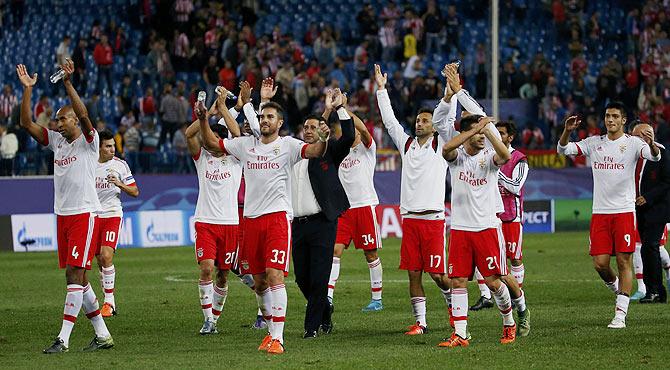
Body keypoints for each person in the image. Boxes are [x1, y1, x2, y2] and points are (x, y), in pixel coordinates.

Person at [198, 77, 329, 354]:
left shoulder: (289, 146)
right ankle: (270, 332)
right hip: (251, 221)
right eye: (263, 116)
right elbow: (211, 143)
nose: (266, 119)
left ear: (280, 123)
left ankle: (278, 338)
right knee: (258, 282)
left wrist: (324, 138)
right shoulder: (245, 146)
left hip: (277, 218)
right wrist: (202, 120)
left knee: (274, 275)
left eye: (270, 116)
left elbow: (316, 151)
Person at [17, 59, 114, 353]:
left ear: (73, 120)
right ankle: (103, 335)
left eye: (62, 119)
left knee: (74, 274)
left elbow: (84, 114)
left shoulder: (90, 141)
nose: (58, 124)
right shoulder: (57, 142)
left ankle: (64, 338)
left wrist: (69, 83)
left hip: (85, 213)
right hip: (63, 215)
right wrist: (28, 91)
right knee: (77, 277)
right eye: (58, 120)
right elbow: (25, 124)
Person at [557, 102, 660, 328]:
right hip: (600, 212)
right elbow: (563, 150)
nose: (610, 120)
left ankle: (620, 315)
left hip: (623, 211)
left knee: (624, 261)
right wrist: (567, 131)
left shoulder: (633, 144)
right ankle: (618, 290)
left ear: (623, 120)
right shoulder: (595, 143)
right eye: (607, 116)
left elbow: (653, 157)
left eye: (614, 116)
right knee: (600, 264)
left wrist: (652, 146)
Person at [374, 64, 452, 335]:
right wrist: (382, 90)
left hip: (432, 220)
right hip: (409, 220)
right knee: (413, 274)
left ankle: (453, 302)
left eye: (425, 121)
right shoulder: (406, 145)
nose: (419, 124)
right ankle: (421, 323)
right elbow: (390, 122)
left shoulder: (441, 145)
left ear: (434, 126)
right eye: (418, 121)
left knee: (438, 275)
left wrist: (449, 93)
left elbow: (447, 120)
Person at [291, 89, 354, 339]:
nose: (308, 130)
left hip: (323, 223)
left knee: (319, 277)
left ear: (321, 129)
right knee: (301, 278)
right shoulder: (291, 154)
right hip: (297, 224)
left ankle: (311, 328)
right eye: (305, 127)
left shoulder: (330, 152)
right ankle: (325, 309)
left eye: (313, 127)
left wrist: (339, 109)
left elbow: (348, 136)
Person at [185, 91, 243, 335]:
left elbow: (238, 134)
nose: (211, 143)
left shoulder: (237, 157)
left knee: (223, 275)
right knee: (207, 268)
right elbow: (189, 135)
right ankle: (208, 320)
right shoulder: (202, 159)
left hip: (230, 223)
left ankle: (215, 320)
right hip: (206, 222)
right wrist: (204, 116)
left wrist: (227, 107)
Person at [328, 94, 384, 313]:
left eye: (357, 131)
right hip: (344, 209)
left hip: (364, 207)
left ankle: (377, 299)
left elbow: (363, 129)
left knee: (370, 254)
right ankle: (328, 297)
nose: (356, 135)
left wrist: (344, 108)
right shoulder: (340, 152)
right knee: (334, 250)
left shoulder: (368, 150)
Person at [94, 130, 139, 317]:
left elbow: (135, 191)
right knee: (99, 260)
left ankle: (109, 302)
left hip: (112, 214)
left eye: (113, 146)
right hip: (93, 215)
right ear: (99, 147)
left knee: (106, 256)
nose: (113, 149)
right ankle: (107, 299)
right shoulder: (88, 164)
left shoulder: (120, 165)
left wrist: (120, 184)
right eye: (108, 146)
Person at [631, 122, 670, 303]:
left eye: (636, 136)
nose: (632, 139)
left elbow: (667, 182)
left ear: (647, 136)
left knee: (650, 247)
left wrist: (647, 197)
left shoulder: (662, 153)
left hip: (658, 208)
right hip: (640, 209)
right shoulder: (635, 154)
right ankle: (652, 291)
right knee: (647, 249)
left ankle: (656, 291)